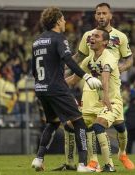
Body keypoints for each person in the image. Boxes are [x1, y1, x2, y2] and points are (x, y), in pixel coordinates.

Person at [56, 2, 135, 171]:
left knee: (120, 125)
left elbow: (129, 59)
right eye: (98, 13)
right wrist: (60, 68)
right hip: (91, 84)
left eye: (104, 13)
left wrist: (119, 68)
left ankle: (122, 153)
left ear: (110, 15)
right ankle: (94, 161)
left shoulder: (120, 37)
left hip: (111, 84)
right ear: (95, 16)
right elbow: (79, 57)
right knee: (89, 124)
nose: (101, 16)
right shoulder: (88, 36)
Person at [30, 7, 101, 173]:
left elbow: (33, 69)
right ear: (56, 21)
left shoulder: (37, 41)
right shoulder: (59, 38)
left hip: (41, 88)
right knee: (79, 122)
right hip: (56, 88)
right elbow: (68, 59)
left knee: (53, 122)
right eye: (62, 19)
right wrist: (87, 77)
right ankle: (83, 165)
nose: (64, 22)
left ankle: (39, 159)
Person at [66, 28, 121, 172]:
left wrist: (107, 98)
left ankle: (110, 165)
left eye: (96, 36)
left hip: (111, 102)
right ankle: (82, 163)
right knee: (72, 124)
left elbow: (105, 75)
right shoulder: (88, 60)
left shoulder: (108, 57)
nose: (92, 38)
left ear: (105, 42)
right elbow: (73, 79)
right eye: (91, 36)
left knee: (98, 126)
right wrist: (54, 84)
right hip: (95, 103)